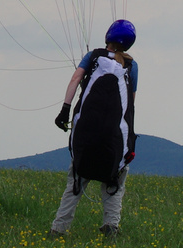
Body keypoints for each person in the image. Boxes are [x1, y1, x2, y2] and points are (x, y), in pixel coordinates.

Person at [49, 20, 138, 238]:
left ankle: (59, 229)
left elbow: (75, 79)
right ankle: (111, 226)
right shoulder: (131, 66)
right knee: (114, 182)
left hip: (87, 135)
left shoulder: (93, 57)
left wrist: (65, 111)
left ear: (108, 36)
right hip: (114, 139)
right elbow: (130, 105)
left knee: (76, 181)